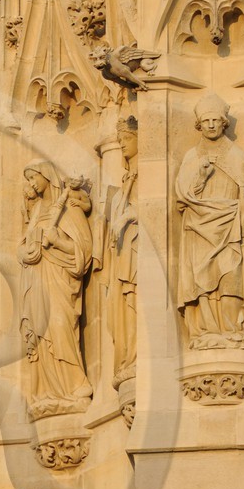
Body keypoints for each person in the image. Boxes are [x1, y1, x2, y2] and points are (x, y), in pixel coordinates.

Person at [175, 95, 244, 349]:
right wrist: (201, 175)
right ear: (199, 125)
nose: (211, 125)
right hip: (198, 226)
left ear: (224, 123)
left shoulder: (236, 154)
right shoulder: (191, 156)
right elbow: (182, 197)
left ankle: (231, 330)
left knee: (230, 275)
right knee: (201, 280)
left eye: (216, 120)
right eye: (206, 121)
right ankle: (205, 331)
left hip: (230, 221)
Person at [18, 161, 94, 416]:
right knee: (41, 333)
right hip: (37, 279)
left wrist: (58, 242)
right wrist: (27, 249)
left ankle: (73, 386)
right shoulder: (38, 211)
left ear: (46, 176)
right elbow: (26, 245)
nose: (31, 184)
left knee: (60, 325)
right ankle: (48, 391)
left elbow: (82, 251)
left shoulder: (67, 210)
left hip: (59, 280)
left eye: (33, 178)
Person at [104, 114, 138, 388]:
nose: (122, 145)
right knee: (120, 310)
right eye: (119, 140)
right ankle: (127, 359)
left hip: (138, 252)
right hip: (123, 254)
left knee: (134, 300)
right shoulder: (127, 178)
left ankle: (137, 358)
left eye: (126, 139)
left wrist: (127, 216)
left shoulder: (147, 171)